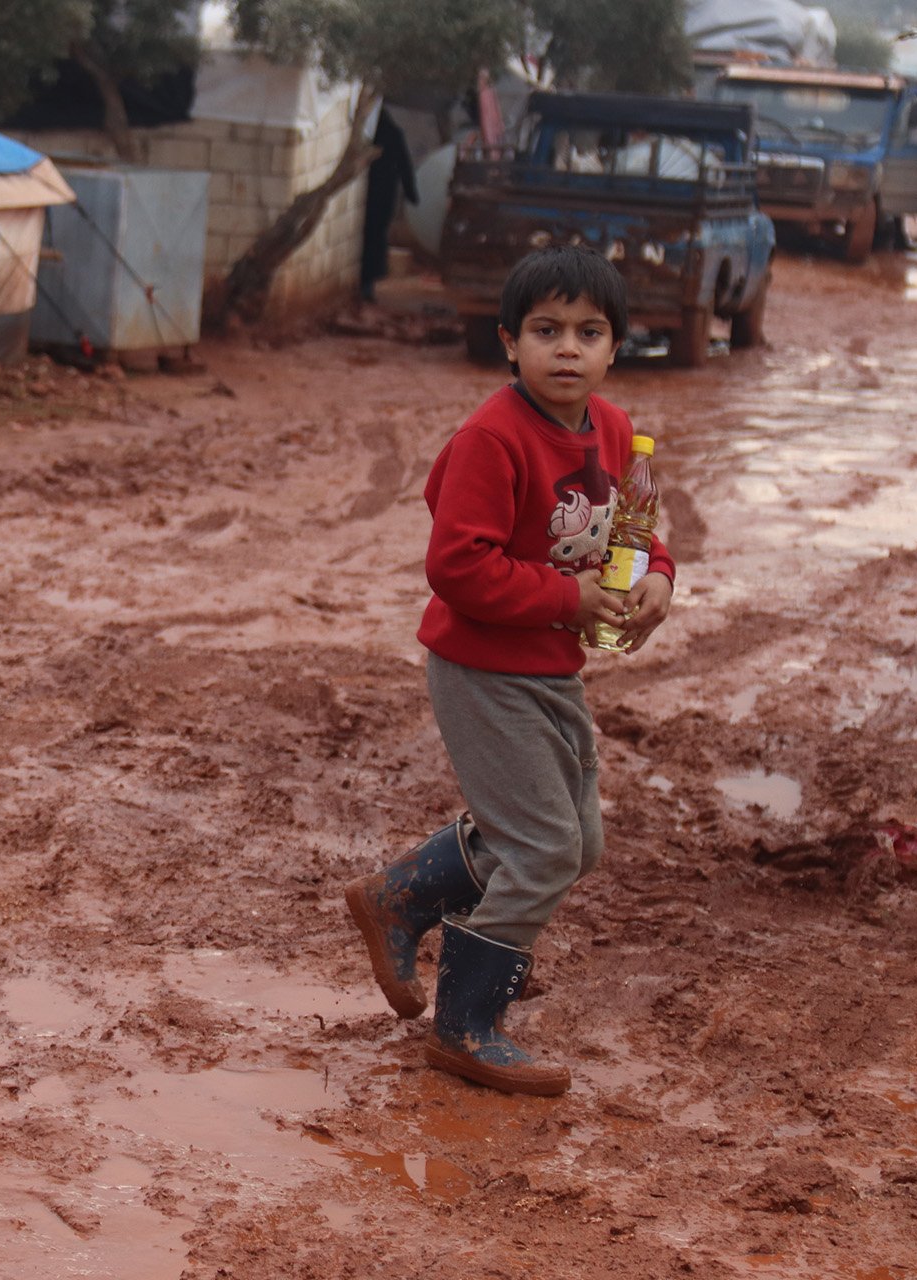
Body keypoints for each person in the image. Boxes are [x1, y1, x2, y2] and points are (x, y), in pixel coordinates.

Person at [342, 244, 674, 1097]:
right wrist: (571, 598)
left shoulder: (610, 428)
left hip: (550, 668)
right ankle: (466, 1025)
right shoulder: (492, 438)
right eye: (546, 330)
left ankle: (402, 898)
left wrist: (658, 581)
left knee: (577, 844)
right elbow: (457, 567)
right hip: (481, 666)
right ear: (508, 343)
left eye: (589, 332)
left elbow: (636, 532)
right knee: (543, 848)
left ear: (615, 346)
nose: (568, 348)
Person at [360, 110, 419, 303]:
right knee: (378, 236)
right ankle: (373, 279)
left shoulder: (369, 135)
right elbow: (405, 166)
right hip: (385, 195)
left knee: (369, 236)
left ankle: (367, 280)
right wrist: (412, 195)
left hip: (369, 195)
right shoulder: (394, 133)